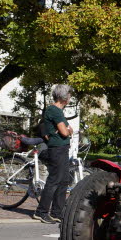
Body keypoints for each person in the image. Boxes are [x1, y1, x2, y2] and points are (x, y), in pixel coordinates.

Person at [34, 84, 74, 224]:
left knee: (63, 181)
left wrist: (65, 129)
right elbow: (65, 131)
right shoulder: (55, 111)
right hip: (57, 149)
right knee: (54, 180)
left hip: (61, 148)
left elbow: (68, 129)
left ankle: (57, 212)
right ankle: (41, 212)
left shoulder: (57, 111)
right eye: (69, 95)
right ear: (64, 97)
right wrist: (66, 130)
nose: (70, 97)